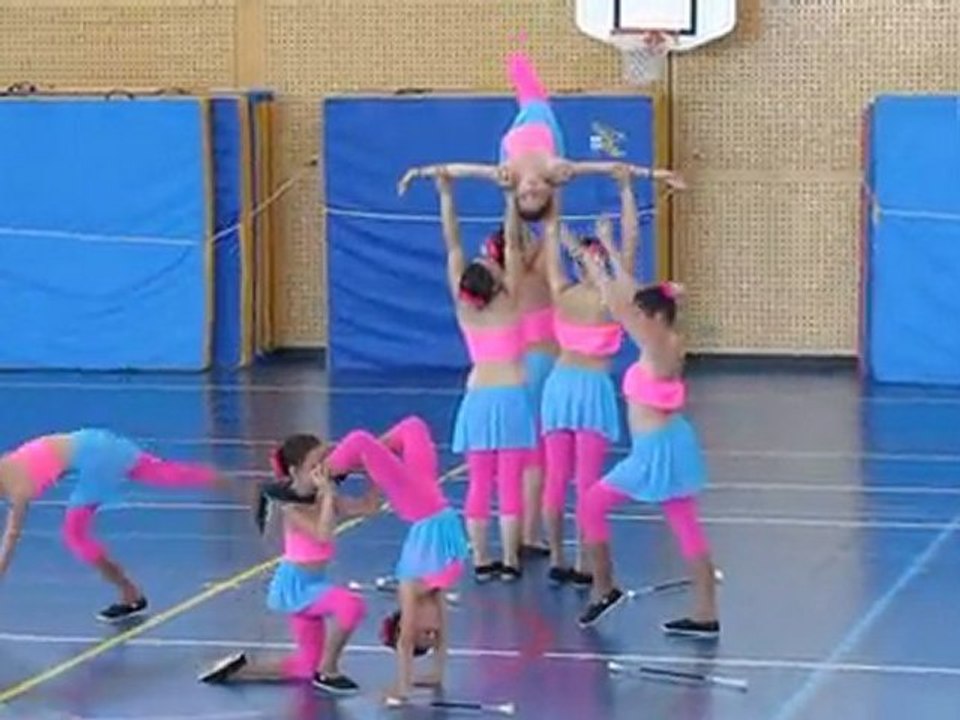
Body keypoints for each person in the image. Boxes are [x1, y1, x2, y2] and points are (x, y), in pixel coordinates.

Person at [575, 220, 720, 637]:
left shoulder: (658, 346)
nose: (634, 316)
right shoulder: (667, 340)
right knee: (685, 523)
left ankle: (604, 588)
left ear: (655, 317)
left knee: (591, 505)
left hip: (656, 448)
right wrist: (606, 250)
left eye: (643, 314)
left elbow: (622, 304)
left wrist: (598, 263)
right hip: (671, 442)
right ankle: (706, 610)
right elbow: (631, 300)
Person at [198, 434, 371, 694]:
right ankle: (328, 670)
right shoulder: (291, 508)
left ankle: (237, 671)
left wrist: (376, 474)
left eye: (325, 460)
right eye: (315, 464)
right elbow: (323, 534)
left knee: (304, 666)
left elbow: (368, 507)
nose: (323, 468)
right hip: (297, 587)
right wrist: (327, 495)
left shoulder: (326, 499)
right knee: (352, 606)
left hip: (314, 583)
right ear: (295, 471)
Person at [397, 49, 685, 205]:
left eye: (525, 195)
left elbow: (461, 169)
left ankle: (516, 56)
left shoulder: (506, 175)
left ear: (518, 192)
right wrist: (656, 174)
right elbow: (608, 167)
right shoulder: (558, 171)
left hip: (514, 138)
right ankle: (516, 57)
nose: (531, 188)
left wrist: (419, 172)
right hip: (544, 126)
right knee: (534, 96)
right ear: (549, 193)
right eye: (538, 194)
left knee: (526, 86)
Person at [429, 169, 535, 581]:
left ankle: (480, 558)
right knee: (508, 483)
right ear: (495, 280)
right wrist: (510, 197)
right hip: (510, 397)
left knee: (479, 483)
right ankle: (509, 560)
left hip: (477, 398)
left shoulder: (463, 306)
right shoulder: (509, 300)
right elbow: (509, 240)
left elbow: (451, 240)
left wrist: (445, 193)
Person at [0, 429, 222, 621]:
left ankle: (130, 592)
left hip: (98, 459)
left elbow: (12, 535)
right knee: (164, 474)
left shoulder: (20, 488)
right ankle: (227, 480)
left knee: (75, 534)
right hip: (101, 443)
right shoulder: (9, 462)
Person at [322, 416, 469, 703]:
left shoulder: (411, 585)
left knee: (360, 440)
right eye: (433, 633)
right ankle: (373, 463)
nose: (434, 627)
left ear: (406, 625)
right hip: (430, 502)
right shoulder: (438, 587)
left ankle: (318, 478)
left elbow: (404, 644)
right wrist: (433, 675)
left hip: (419, 505)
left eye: (424, 631)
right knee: (414, 426)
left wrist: (403, 687)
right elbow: (443, 643)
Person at [481, 226, 554, 559]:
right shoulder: (529, 277)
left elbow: (540, 239)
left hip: (524, 365)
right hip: (538, 366)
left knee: (525, 453)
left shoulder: (506, 287)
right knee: (536, 455)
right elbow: (546, 236)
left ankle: (523, 531)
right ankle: (528, 533)